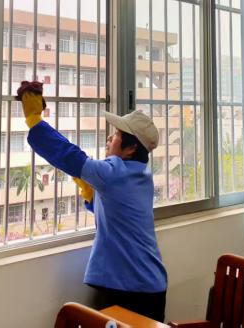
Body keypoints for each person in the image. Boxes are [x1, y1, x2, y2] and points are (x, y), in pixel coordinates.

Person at [17, 82, 168, 322]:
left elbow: (69, 155)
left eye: (116, 135)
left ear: (130, 148)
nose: (110, 137)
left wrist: (35, 120)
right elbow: (116, 209)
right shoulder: (140, 174)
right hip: (146, 284)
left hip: (132, 288)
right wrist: (91, 194)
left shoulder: (115, 172)